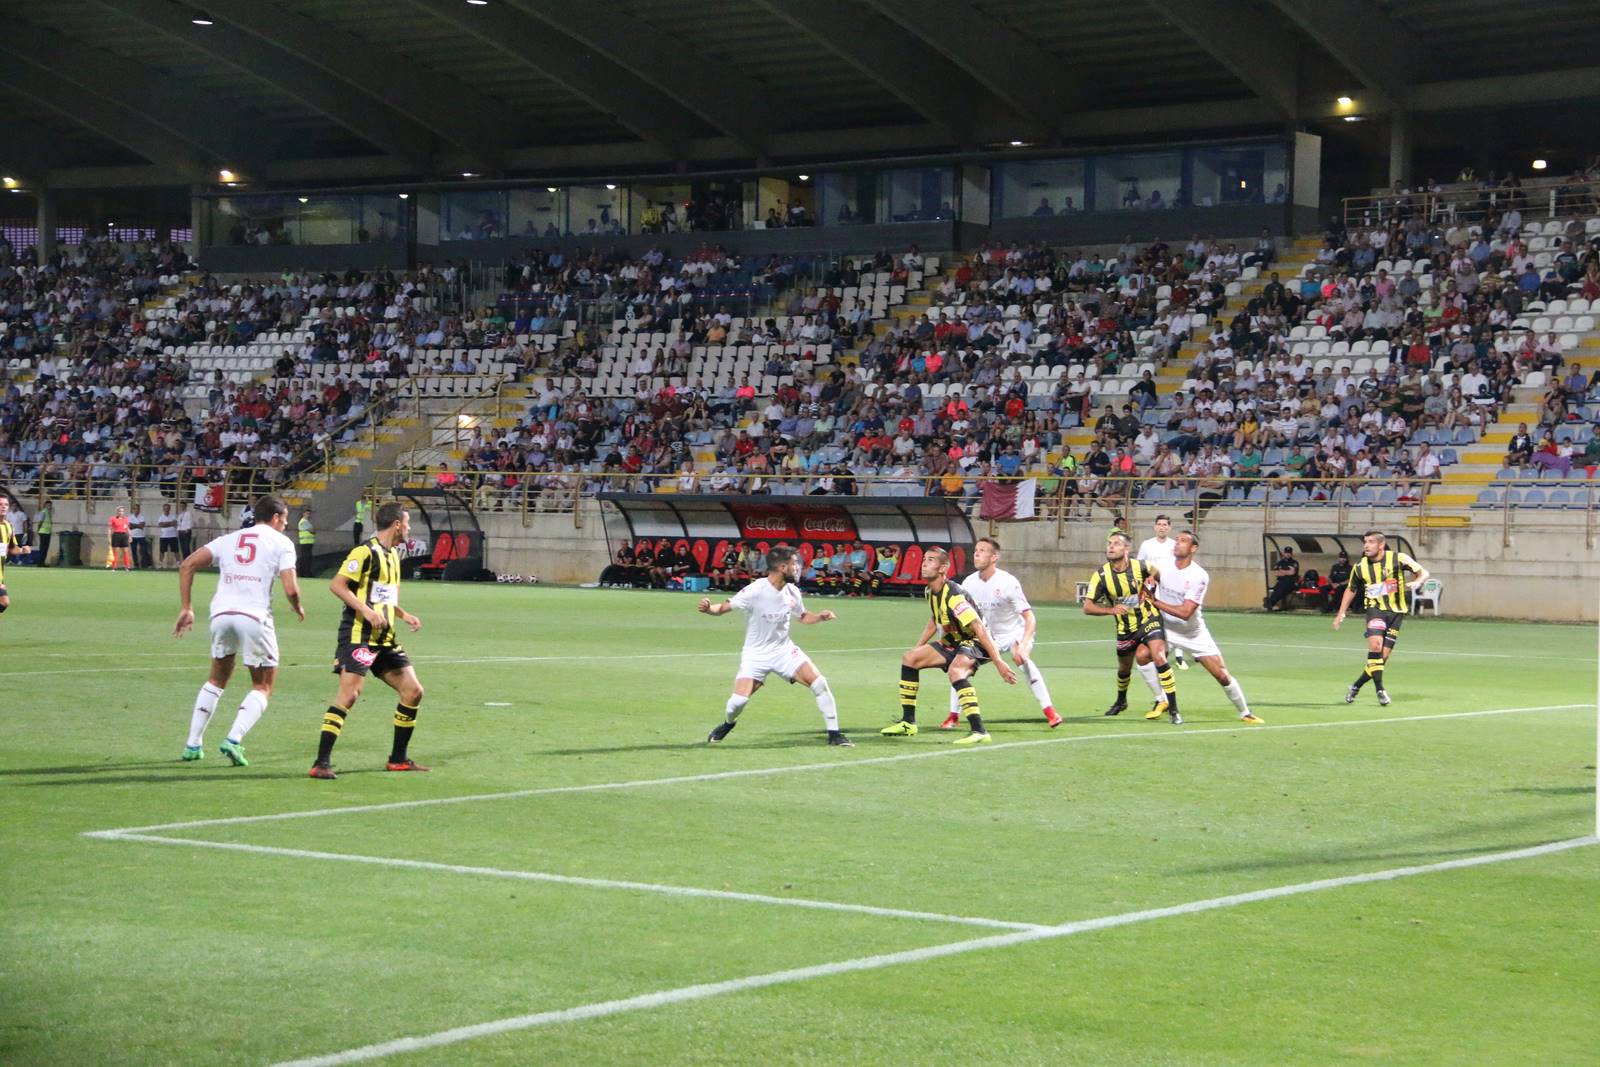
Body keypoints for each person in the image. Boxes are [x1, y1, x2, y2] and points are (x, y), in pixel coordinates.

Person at [173, 495, 305, 765]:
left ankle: (192, 744)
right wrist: (297, 606)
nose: (285, 525)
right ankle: (233, 740)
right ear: (277, 517)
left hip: (220, 614)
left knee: (216, 679)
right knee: (263, 684)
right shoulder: (282, 543)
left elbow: (187, 564)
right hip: (254, 615)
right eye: (285, 520)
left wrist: (187, 607)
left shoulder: (230, 539)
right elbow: (290, 588)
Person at [310, 501, 428, 779]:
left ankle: (398, 759)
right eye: (408, 523)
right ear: (397, 524)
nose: (410, 528)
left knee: (413, 691)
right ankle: (321, 763)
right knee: (350, 694)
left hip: (384, 638)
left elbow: (383, 596)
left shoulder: (394, 556)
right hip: (359, 637)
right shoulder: (364, 552)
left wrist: (403, 614)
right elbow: (337, 585)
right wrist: (365, 610)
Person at [696, 546, 853, 747]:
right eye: (794, 564)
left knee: (820, 683)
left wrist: (820, 617)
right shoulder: (755, 590)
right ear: (782, 567)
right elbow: (722, 608)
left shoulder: (793, 591)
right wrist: (709, 609)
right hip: (756, 655)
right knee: (738, 702)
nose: (797, 568)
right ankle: (728, 723)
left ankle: (834, 734)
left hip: (784, 650)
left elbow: (803, 617)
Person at [881, 546, 1017, 744]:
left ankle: (979, 731)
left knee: (956, 671)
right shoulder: (930, 591)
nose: (924, 563)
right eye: (924, 559)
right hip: (954, 640)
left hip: (977, 641)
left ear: (943, 567)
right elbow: (934, 619)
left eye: (931, 560)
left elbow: (978, 627)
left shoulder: (953, 595)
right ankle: (908, 723)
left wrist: (998, 662)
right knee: (910, 658)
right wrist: (918, 647)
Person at [939, 537, 1061, 730]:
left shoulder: (1008, 582)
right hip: (985, 637)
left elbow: (1029, 617)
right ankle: (953, 715)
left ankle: (1050, 712)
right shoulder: (968, 583)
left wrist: (1024, 643)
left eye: (982, 550)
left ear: (994, 557)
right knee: (959, 666)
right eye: (976, 550)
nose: (977, 554)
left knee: (1021, 658)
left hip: (1013, 633)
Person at [1143, 530, 1262, 724]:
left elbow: (1185, 612)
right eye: (1177, 540)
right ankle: (1161, 699)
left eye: (1183, 541)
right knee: (1142, 655)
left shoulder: (1199, 576)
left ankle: (1245, 712)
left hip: (1192, 633)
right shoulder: (1164, 564)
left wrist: (1154, 602)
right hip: (1165, 629)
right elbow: (1154, 573)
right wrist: (1150, 579)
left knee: (1221, 674)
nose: (1177, 543)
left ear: (1193, 548)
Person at [1081, 532, 1182, 724]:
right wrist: (1111, 610)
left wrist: (1152, 578)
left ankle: (1174, 709)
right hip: (1125, 627)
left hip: (1149, 619)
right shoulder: (1101, 575)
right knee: (1124, 667)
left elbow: (1157, 572)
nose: (1111, 547)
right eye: (1109, 543)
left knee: (1159, 657)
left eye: (1116, 544)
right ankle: (1121, 701)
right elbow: (1087, 607)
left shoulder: (1140, 566)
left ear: (1126, 549)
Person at [1334, 530, 1429, 706]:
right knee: (1375, 646)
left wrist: (1418, 581)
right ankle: (1380, 690)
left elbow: (1423, 572)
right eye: (1365, 542)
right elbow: (1351, 589)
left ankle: (1356, 685)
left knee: (1381, 658)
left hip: (1396, 612)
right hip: (1374, 609)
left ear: (1381, 545)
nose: (1366, 545)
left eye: (1370, 542)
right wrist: (1341, 612)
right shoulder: (1360, 567)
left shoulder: (1398, 558)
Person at [1135, 515, 1187, 671]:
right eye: (1159, 524)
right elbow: (1140, 565)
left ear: (1169, 527)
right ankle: (1152, 653)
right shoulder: (1146, 545)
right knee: (1151, 620)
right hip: (1151, 589)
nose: (1162, 527)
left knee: (1175, 620)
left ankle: (1179, 658)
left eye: (1165, 524)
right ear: (1155, 527)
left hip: (1170, 589)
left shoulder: (1174, 545)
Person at [0, 495, 30, 617]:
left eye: (6, 505)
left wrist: (22, 550)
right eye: (0, 504)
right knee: (4, 601)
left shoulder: (8, 526)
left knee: (4, 602)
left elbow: (12, 548)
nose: (3, 507)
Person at [1263, 546, 1299, 611]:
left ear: (1291, 554)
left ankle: (1270, 602)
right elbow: (1276, 573)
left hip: (1291, 583)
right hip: (1281, 582)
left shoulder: (1294, 562)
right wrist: (1287, 572)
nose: (1288, 554)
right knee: (1278, 588)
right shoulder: (1280, 562)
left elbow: (1292, 573)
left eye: (1289, 553)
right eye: (1286, 552)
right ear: (1283, 553)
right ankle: (1271, 603)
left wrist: (1281, 571)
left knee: (1281, 587)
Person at [106, 506, 133, 572]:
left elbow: (128, 528)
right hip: (116, 535)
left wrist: (130, 536)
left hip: (124, 535)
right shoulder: (113, 518)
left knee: (125, 551)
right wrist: (109, 537)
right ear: (117, 512)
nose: (121, 512)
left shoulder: (126, 519)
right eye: (119, 511)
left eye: (122, 511)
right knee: (116, 552)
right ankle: (114, 567)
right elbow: (109, 528)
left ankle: (127, 566)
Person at [157, 503, 180, 568]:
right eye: (165, 508)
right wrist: (169, 523)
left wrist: (165, 524)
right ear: (163, 509)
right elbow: (160, 525)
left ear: (169, 509)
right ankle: (160, 564)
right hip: (163, 536)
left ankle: (178, 564)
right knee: (162, 551)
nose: (166, 510)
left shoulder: (173, 516)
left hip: (173, 536)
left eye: (167, 508)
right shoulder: (161, 517)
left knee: (176, 550)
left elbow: (174, 523)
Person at [128, 503, 151, 569]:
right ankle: (136, 564)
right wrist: (138, 525)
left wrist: (134, 525)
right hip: (133, 536)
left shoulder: (142, 517)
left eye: (138, 509)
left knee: (143, 551)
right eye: (135, 509)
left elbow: (142, 526)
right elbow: (129, 526)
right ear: (133, 510)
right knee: (134, 551)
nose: (136, 510)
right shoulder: (130, 517)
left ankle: (145, 564)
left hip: (141, 536)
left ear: (139, 510)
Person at [297, 507, 316, 575]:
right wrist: (312, 529)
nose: (308, 515)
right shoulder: (303, 522)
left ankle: (303, 572)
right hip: (305, 543)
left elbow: (312, 530)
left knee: (305, 558)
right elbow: (312, 530)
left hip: (307, 543)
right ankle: (306, 573)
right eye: (307, 513)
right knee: (306, 559)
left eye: (309, 513)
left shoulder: (306, 522)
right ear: (303, 514)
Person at [33, 500, 51, 568]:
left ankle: (42, 562)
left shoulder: (48, 512)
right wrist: (38, 530)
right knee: (43, 548)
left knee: (45, 548)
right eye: (48, 505)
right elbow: (40, 521)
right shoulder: (43, 512)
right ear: (45, 505)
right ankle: (40, 562)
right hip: (43, 532)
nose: (49, 506)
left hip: (47, 532)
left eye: (50, 505)